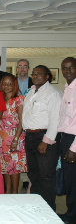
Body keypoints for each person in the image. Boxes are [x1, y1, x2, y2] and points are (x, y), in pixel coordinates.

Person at [22, 65, 62, 211]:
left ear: (47, 77)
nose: (36, 76)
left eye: (40, 74)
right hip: (30, 136)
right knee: (33, 174)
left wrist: (46, 141)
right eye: (34, 73)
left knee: (46, 176)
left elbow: (56, 119)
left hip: (45, 137)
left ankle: (49, 210)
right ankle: (36, 206)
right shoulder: (31, 91)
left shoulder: (53, 93)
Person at [0, 74, 27, 194]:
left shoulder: (19, 99)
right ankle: (8, 193)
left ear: (14, 85)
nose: (6, 86)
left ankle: (15, 193)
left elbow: (21, 121)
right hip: (2, 139)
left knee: (14, 168)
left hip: (15, 138)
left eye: (10, 84)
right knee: (5, 167)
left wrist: (15, 139)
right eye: (4, 83)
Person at [57, 57, 76, 224]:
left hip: (73, 140)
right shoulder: (68, 87)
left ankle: (72, 217)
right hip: (66, 138)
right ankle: (71, 213)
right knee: (70, 181)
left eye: (71, 68)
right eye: (64, 68)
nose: (67, 71)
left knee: (73, 181)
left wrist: (74, 148)